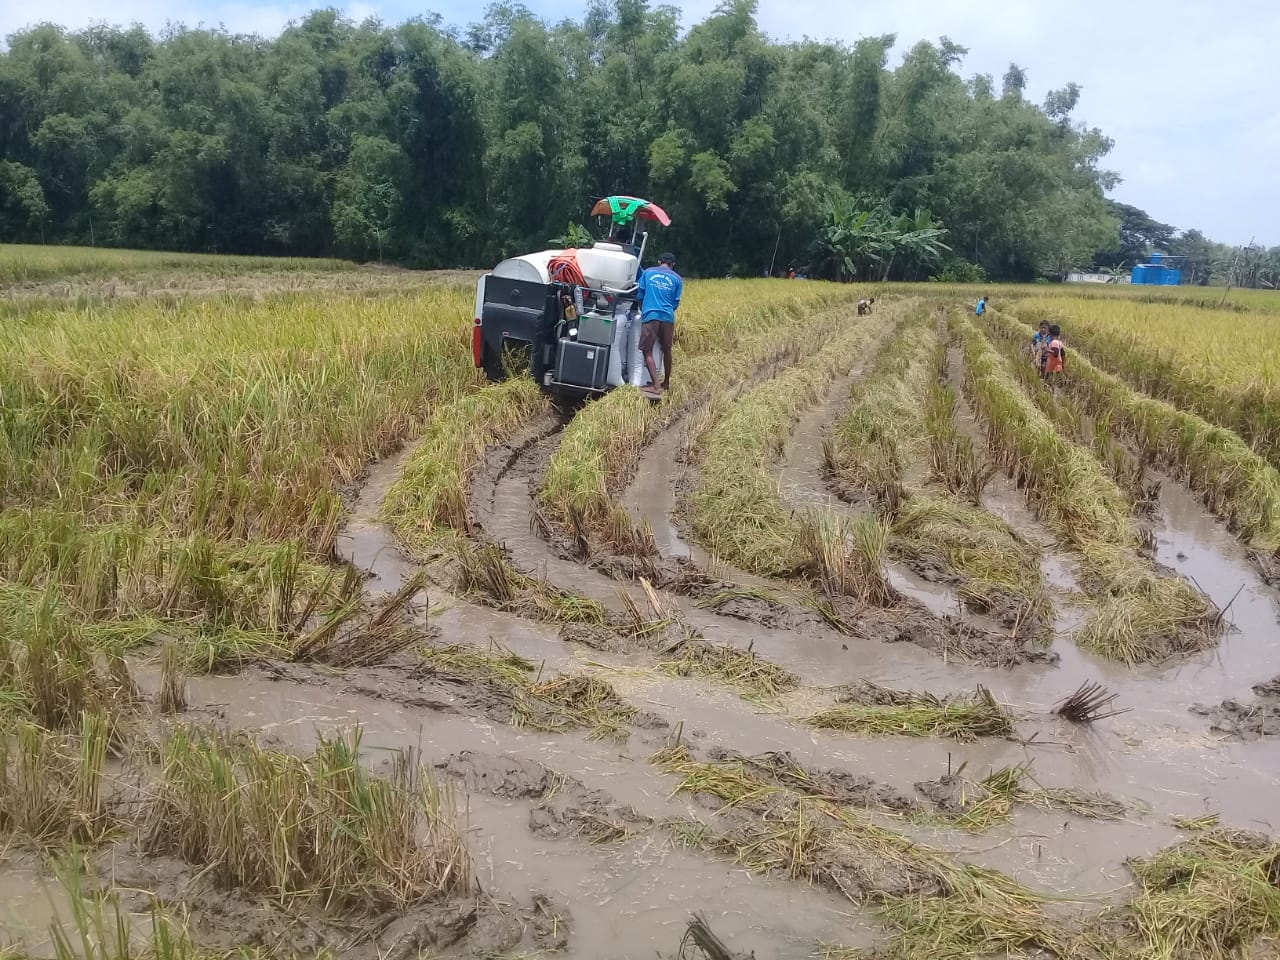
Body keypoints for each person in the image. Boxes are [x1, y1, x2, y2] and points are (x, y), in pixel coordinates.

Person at [636, 252, 683, 397]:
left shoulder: (648, 273)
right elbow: (675, 303)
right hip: (668, 317)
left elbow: (640, 295)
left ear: (659, 261)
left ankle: (656, 386)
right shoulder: (677, 279)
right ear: (673, 264)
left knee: (646, 349)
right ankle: (666, 382)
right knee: (667, 349)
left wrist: (644, 310)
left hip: (651, 315)